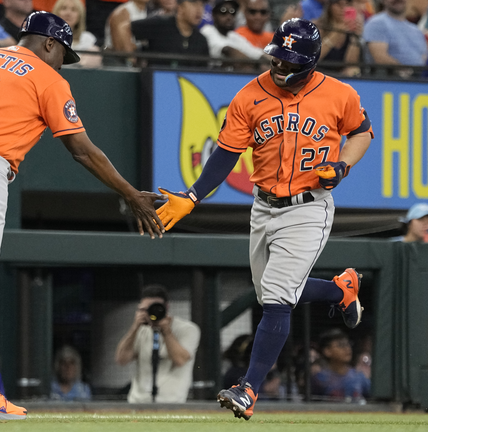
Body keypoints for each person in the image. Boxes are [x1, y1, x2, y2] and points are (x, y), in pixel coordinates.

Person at [0, 11, 165, 421]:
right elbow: (82, 150)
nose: (63, 63)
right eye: (64, 54)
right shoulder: (46, 76)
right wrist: (130, 193)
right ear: (49, 44)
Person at [155, 18, 373, 420]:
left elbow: (362, 132)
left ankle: (248, 388)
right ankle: (340, 290)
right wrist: (193, 195)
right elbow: (224, 152)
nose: (279, 68)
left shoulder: (339, 94)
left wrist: (342, 166)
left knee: (276, 297)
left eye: (289, 62)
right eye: (277, 58)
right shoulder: (249, 95)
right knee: (272, 292)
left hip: (310, 206)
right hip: (264, 205)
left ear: (310, 64)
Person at [114, 284, 201, 403]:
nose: (151, 313)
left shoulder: (188, 329)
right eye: (145, 309)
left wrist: (166, 331)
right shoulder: (141, 330)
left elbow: (180, 360)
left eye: (155, 308)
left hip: (172, 403)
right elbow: (121, 360)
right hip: (138, 402)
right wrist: (135, 327)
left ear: (166, 307)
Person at [129, 0, 210, 68]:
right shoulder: (160, 25)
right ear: (180, 8)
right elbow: (125, 28)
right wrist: (130, 61)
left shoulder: (201, 40)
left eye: (202, 5)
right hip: (156, 82)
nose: (199, 10)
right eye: (194, 4)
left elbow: (203, 73)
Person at [362, 0, 427, 76]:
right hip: (392, 80)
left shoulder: (416, 30)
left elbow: (424, 57)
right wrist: (405, 71)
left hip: (421, 79)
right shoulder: (377, 23)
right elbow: (380, 57)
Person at [200, 0, 266, 68]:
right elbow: (228, 51)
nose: (229, 16)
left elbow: (257, 53)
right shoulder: (207, 30)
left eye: (232, 12)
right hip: (211, 75)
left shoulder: (233, 36)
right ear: (214, 15)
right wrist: (256, 65)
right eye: (223, 11)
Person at [310, 328, 370, 402]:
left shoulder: (359, 377)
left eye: (348, 344)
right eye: (341, 345)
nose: (347, 348)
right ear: (327, 351)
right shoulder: (320, 379)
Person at [312, 0, 363, 77]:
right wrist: (336, 34)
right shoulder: (317, 26)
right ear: (330, 6)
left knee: (354, 71)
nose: (343, 8)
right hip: (318, 73)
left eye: (347, 4)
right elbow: (314, 58)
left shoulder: (352, 29)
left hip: (342, 76)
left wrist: (354, 38)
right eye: (338, 4)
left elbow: (350, 63)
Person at [53, 0, 102, 68]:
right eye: (63, 8)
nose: (68, 13)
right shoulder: (45, 37)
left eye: (73, 10)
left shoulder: (88, 39)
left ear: (80, 15)